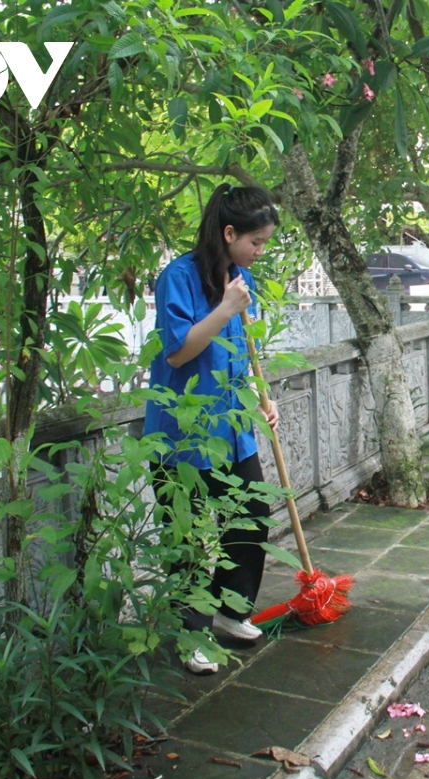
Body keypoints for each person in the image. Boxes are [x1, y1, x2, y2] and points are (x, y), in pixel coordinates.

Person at [144, 184, 281, 674]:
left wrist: (263, 401)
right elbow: (178, 351)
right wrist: (224, 307)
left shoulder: (241, 277)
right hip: (182, 435)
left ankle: (230, 611)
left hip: (234, 425)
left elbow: (246, 349)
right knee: (187, 539)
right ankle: (188, 636)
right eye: (256, 242)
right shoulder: (177, 278)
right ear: (229, 233)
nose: (259, 253)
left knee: (252, 513)